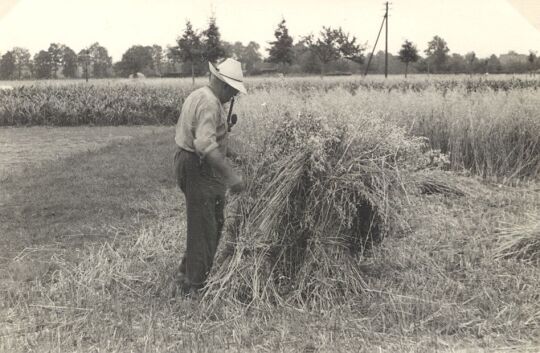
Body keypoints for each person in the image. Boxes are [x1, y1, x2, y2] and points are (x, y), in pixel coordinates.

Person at [173, 58, 247, 296]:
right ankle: (194, 287)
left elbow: (210, 138)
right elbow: (204, 144)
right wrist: (232, 176)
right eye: (233, 93)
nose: (231, 98)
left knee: (206, 223)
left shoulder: (200, 95)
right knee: (206, 226)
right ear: (225, 85)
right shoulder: (210, 103)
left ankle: (186, 273)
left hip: (190, 163)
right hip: (198, 167)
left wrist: (236, 157)